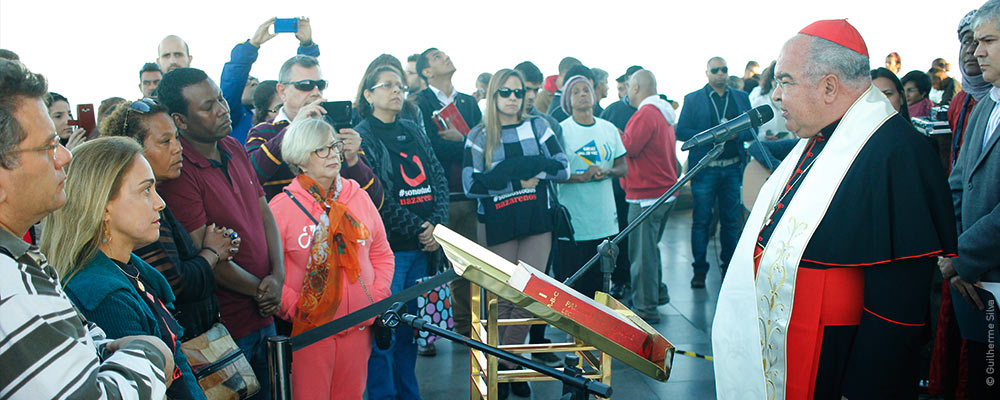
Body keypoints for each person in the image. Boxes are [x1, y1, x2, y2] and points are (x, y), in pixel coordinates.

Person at [712, 19, 958, 399]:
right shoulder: (818, 139)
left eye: (785, 81)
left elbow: (897, 305)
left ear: (829, 86)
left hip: (834, 358)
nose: (775, 95)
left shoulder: (897, 152)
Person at [0, 58, 173, 399]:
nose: (65, 157)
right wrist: (150, 352)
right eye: (49, 147)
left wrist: (113, 351)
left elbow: (81, 348)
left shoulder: (19, 261)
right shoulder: (10, 287)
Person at [41, 137, 205, 399]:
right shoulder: (103, 296)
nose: (160, 202)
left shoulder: (128, 269)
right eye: (145, 190)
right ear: (104, 207)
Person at [156, 67, 285, 400]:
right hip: (224, 329)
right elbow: (205, 252)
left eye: (221, 99)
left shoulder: (234, 146)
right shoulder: (179, 172)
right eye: (207, 106)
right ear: (180, 120)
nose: (222, 109)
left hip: (265, 311)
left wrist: (279, 276)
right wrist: (261, 290)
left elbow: (264, 213)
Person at [268, 118, 394, 399]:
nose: (333, 154)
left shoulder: (358, 198)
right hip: (310, 334)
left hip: (360, 327)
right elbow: (269, 272)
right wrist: (298, 309)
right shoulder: (281, 207)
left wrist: (375, 299)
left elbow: (381, 253)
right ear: (301, 159)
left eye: (334, 146)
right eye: (321, 149)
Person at [463, 68, 569, 399]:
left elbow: (562, 167)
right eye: (505, 92)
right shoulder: (478, 136)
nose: (512, 99)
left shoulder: (539, 126)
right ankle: (510, 367)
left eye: (518, 92)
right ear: (493, 95)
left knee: (528, 294)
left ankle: (503, 367)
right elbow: (471, 185)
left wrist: (512, 175)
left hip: (536, 218)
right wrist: (520, 178)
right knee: (502, 298)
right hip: (497, 222)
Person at [101, 98, 240, 340]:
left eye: (177, 137)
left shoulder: (157, 199)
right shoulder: (136, 212)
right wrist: (213, 252)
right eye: (165, 141)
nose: (178, 148)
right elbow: (175, 283)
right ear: (133, 149)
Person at [354, 65, 450, 399]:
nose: (397, 92)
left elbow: (437, 177)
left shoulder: (412, 127)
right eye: (388, 86)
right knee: (383, 333)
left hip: (423, 249)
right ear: (368, 95)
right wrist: (419, 226)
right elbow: (374, 196)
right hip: (389, 251)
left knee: (410, 331)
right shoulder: (362, 134)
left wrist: (436, 226)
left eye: (400, 86)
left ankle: (409, 394)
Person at [945, 2, 1000, 397]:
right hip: (977, 290)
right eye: (975, 42)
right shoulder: (984, 108)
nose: (976, 52)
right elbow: (957, 185)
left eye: (989, 41)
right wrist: (947, 252)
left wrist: (960, 258)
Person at [245, 55, 383, 207]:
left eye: (321, 85)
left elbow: (376, 201)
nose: (316, 91)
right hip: (286, 227)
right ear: (282, 91)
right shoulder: (262, 132)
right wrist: (292, 130)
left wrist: (353, 160)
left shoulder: (336, 132)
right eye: (305, 85)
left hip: (339, 228)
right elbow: (248, 180)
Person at [676, 56, 753, 288]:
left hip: (732, 167)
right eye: (716, 70)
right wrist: (713, 134)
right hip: (705, 168)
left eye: (724, 69)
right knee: (701, 221)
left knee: (731, 222)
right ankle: (699, 272)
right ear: (707, 73)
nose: (721, 73)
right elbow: (681, 132)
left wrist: (736, 133)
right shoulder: (693, 99)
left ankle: (729, 268)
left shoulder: (741, 97)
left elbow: (753, 129)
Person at [554, 74, 627, 301]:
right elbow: (553, 173)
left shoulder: (609, 129)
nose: (582, 94)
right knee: (573, 288)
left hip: (604, 221)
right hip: (573, 224)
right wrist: (580, 177)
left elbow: (622, 166)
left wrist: (608, 172)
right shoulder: (561, 130)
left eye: (586, 90)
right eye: (575, 92)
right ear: (568, 100)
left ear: (594, 95)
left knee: (600, 288)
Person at [620, 70, 679, 323]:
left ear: (635, 88)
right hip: (664, 192)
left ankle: (645, 308)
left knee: (642, 255)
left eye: (628, 87)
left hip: (646, 195)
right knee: (650, 249)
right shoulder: (663, 112)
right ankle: (657, 293)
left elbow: (628, 147)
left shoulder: (645, 114)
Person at [221, 17, 319, 146]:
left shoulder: (305, 126)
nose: (253, 83)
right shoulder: (235, 119)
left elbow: (304, 85)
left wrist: (307, 45)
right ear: (262, 112)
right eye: (279, 108)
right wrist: (253, 44)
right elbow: (233, 81)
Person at [749, 61, 790, 140]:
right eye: (776, 80)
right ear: (771, 80)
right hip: (767, 147)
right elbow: (751, 132)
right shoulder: (760, 101)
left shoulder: (794, 101)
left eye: (784, 81)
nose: (779, 84)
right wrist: (764, 136)